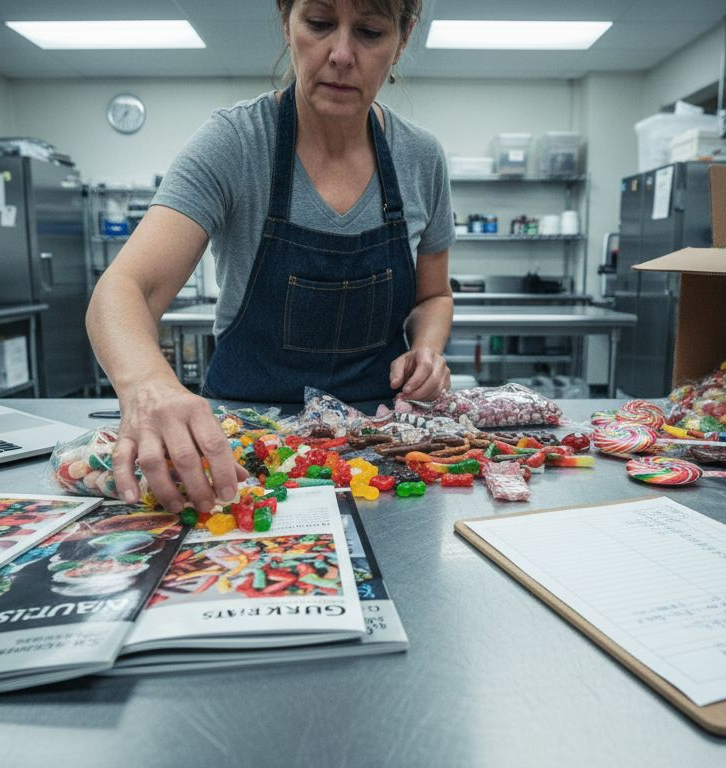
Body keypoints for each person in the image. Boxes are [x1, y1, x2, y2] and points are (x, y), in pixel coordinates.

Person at [86, 0, 455, 515]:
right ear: (287, 21)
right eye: (320, 24)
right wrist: (147, 384)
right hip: (240, 450)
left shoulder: (421, 157)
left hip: (379, 450)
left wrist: (428, 350)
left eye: (370, 32)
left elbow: (433, 295)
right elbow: (126, 287)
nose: (342, 54)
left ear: (404, 38)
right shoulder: (236, 142)